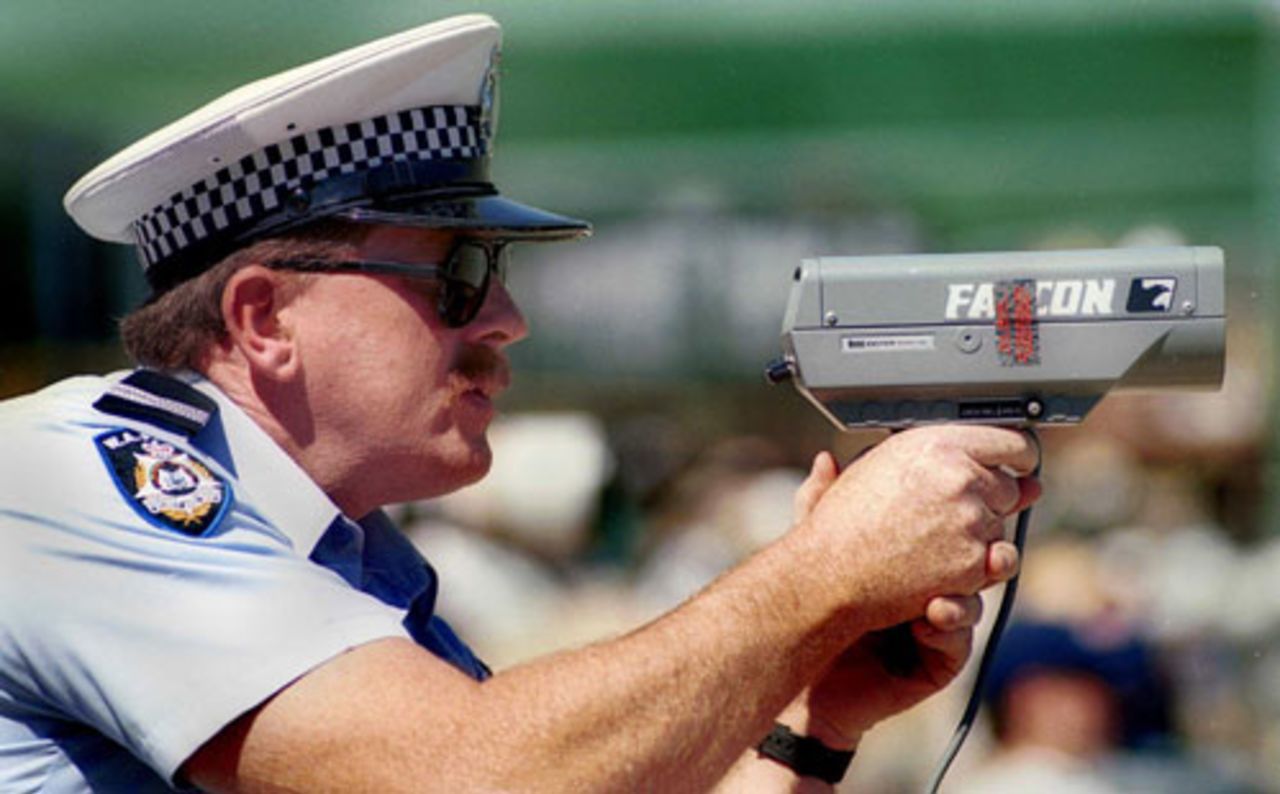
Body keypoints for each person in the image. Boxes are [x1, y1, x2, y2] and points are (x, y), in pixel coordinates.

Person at [0, 14, 1040, 792]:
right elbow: (469, 777)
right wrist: (816, 579)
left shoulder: (348, 563)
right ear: (265, 318)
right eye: (454, 275)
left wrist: (810, 710)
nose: (504, 319)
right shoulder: (71, 480)